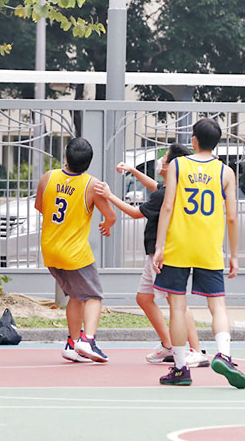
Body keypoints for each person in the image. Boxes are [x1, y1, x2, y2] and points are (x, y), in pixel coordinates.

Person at [153, 118, 245, 388]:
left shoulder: (177, 165)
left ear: (193, 140)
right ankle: (225, 354)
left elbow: (168, 207)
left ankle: (181, 369)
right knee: (217, 304)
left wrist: (160, 246)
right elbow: (232, 218)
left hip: (178, 245)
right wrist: (233, 255)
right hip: (209, 247)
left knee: (178, 306)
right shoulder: (225, 172)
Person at [94, 144, 209, 368]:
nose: (160, 162)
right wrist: (134, 171)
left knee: (177, 303)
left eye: (164, 159)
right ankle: (168, 345)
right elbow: (155, 187)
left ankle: (196, 350)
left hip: (163, 254)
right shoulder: (172, 187)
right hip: (155, 253)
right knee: (144, 298)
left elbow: (136, 213)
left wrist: (110, 196)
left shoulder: (166, 194)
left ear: (171, 166)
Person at [34, 137, 116, 363]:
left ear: (66, 158)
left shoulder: (48, 178)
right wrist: (106, 226)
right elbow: (111, 216)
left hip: (50, 250)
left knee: (76, 297)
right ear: (89, 162)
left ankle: (72, 342)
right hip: (75, 254)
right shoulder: (92, 185)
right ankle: (88, 340)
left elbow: (40, 206)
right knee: (94, 297)